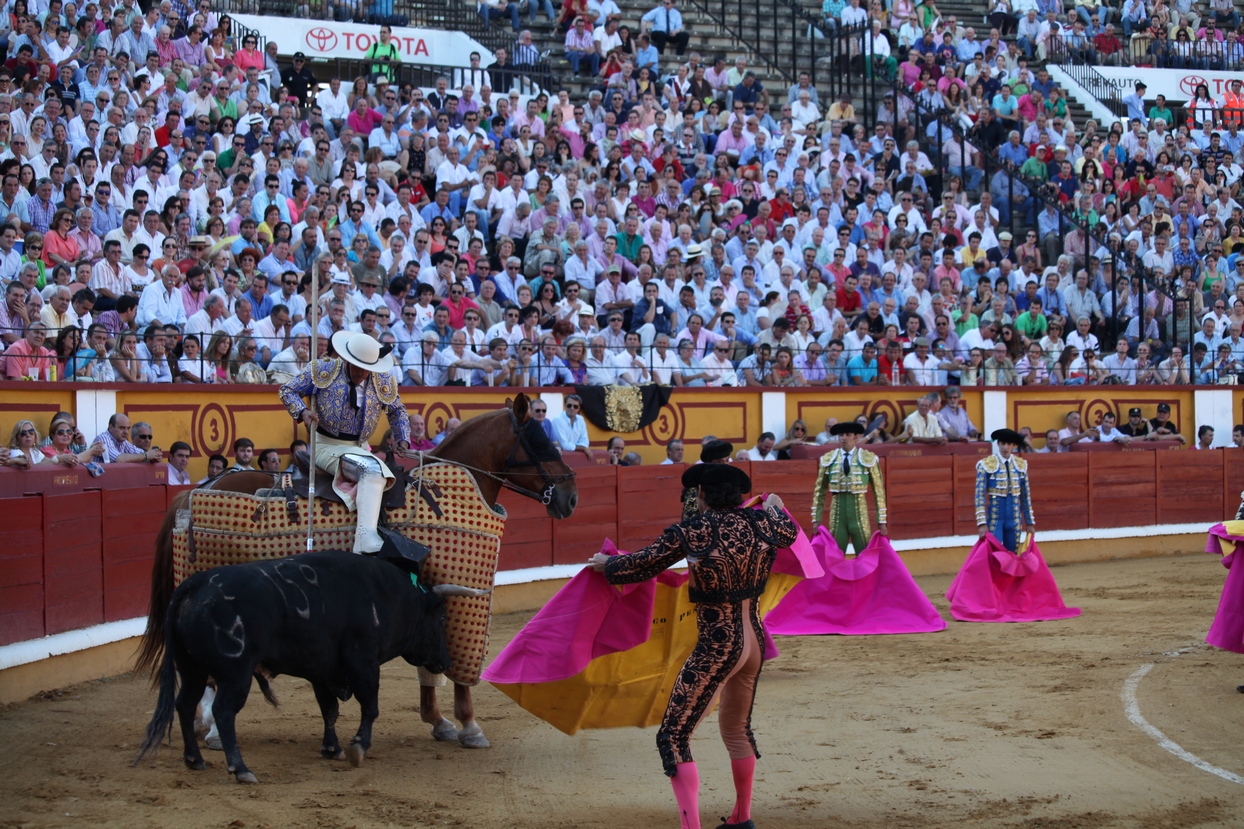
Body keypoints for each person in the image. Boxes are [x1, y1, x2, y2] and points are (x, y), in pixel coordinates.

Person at [586, 464, 798, 829]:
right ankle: (741, 818)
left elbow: (643, 565)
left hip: (718, 647)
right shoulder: (765, 523)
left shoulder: (695, 530)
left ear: (701, 495)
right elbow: (790, 532)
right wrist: (775, 507)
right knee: (737, 728)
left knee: (674, 735)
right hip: (755, 642)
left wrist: (608, 565)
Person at [278, 330, 410, 554]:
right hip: (325, 445)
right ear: (347, 359)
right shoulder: (323, 370)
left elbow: (397, 411)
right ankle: (365, 537)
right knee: (371, 470)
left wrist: (402, 439)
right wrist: (303, 412)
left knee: (384, 471)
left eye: (365, 368)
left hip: (359, 448)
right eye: (356, 366)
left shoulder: (382, 380)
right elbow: (287, 390)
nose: (360, 373)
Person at [811, 421, 887, 556]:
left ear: (856, 437)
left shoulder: (868, 458)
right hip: (837, 516)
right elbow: (819, 492)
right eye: (841, 435)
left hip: (859, 514)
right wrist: (816, 519)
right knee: (834, 559)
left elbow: (879, 492)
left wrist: (882, 521)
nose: (844, 438)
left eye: (848, 434)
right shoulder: (828, 459)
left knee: (865, 557)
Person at [975, 428, 1034, 552]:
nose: (1005, 448)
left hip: (1015, 518)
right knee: (994, 553)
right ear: (998, 444)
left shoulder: (1021, 465)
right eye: (1002, 443)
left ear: (1013, 445)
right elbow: (979, 495)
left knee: (1012, 554)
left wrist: (1029, 522)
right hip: (996, 518)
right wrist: (981, 523)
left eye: (1008, 444)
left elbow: (1025, 496)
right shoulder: (986, 464)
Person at [682, 438, 732, 519]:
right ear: (709, 464)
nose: (725, 465)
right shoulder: (697, 488)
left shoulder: (730, 484)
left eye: (727, 460)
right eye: (720, 462)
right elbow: (690, 520)